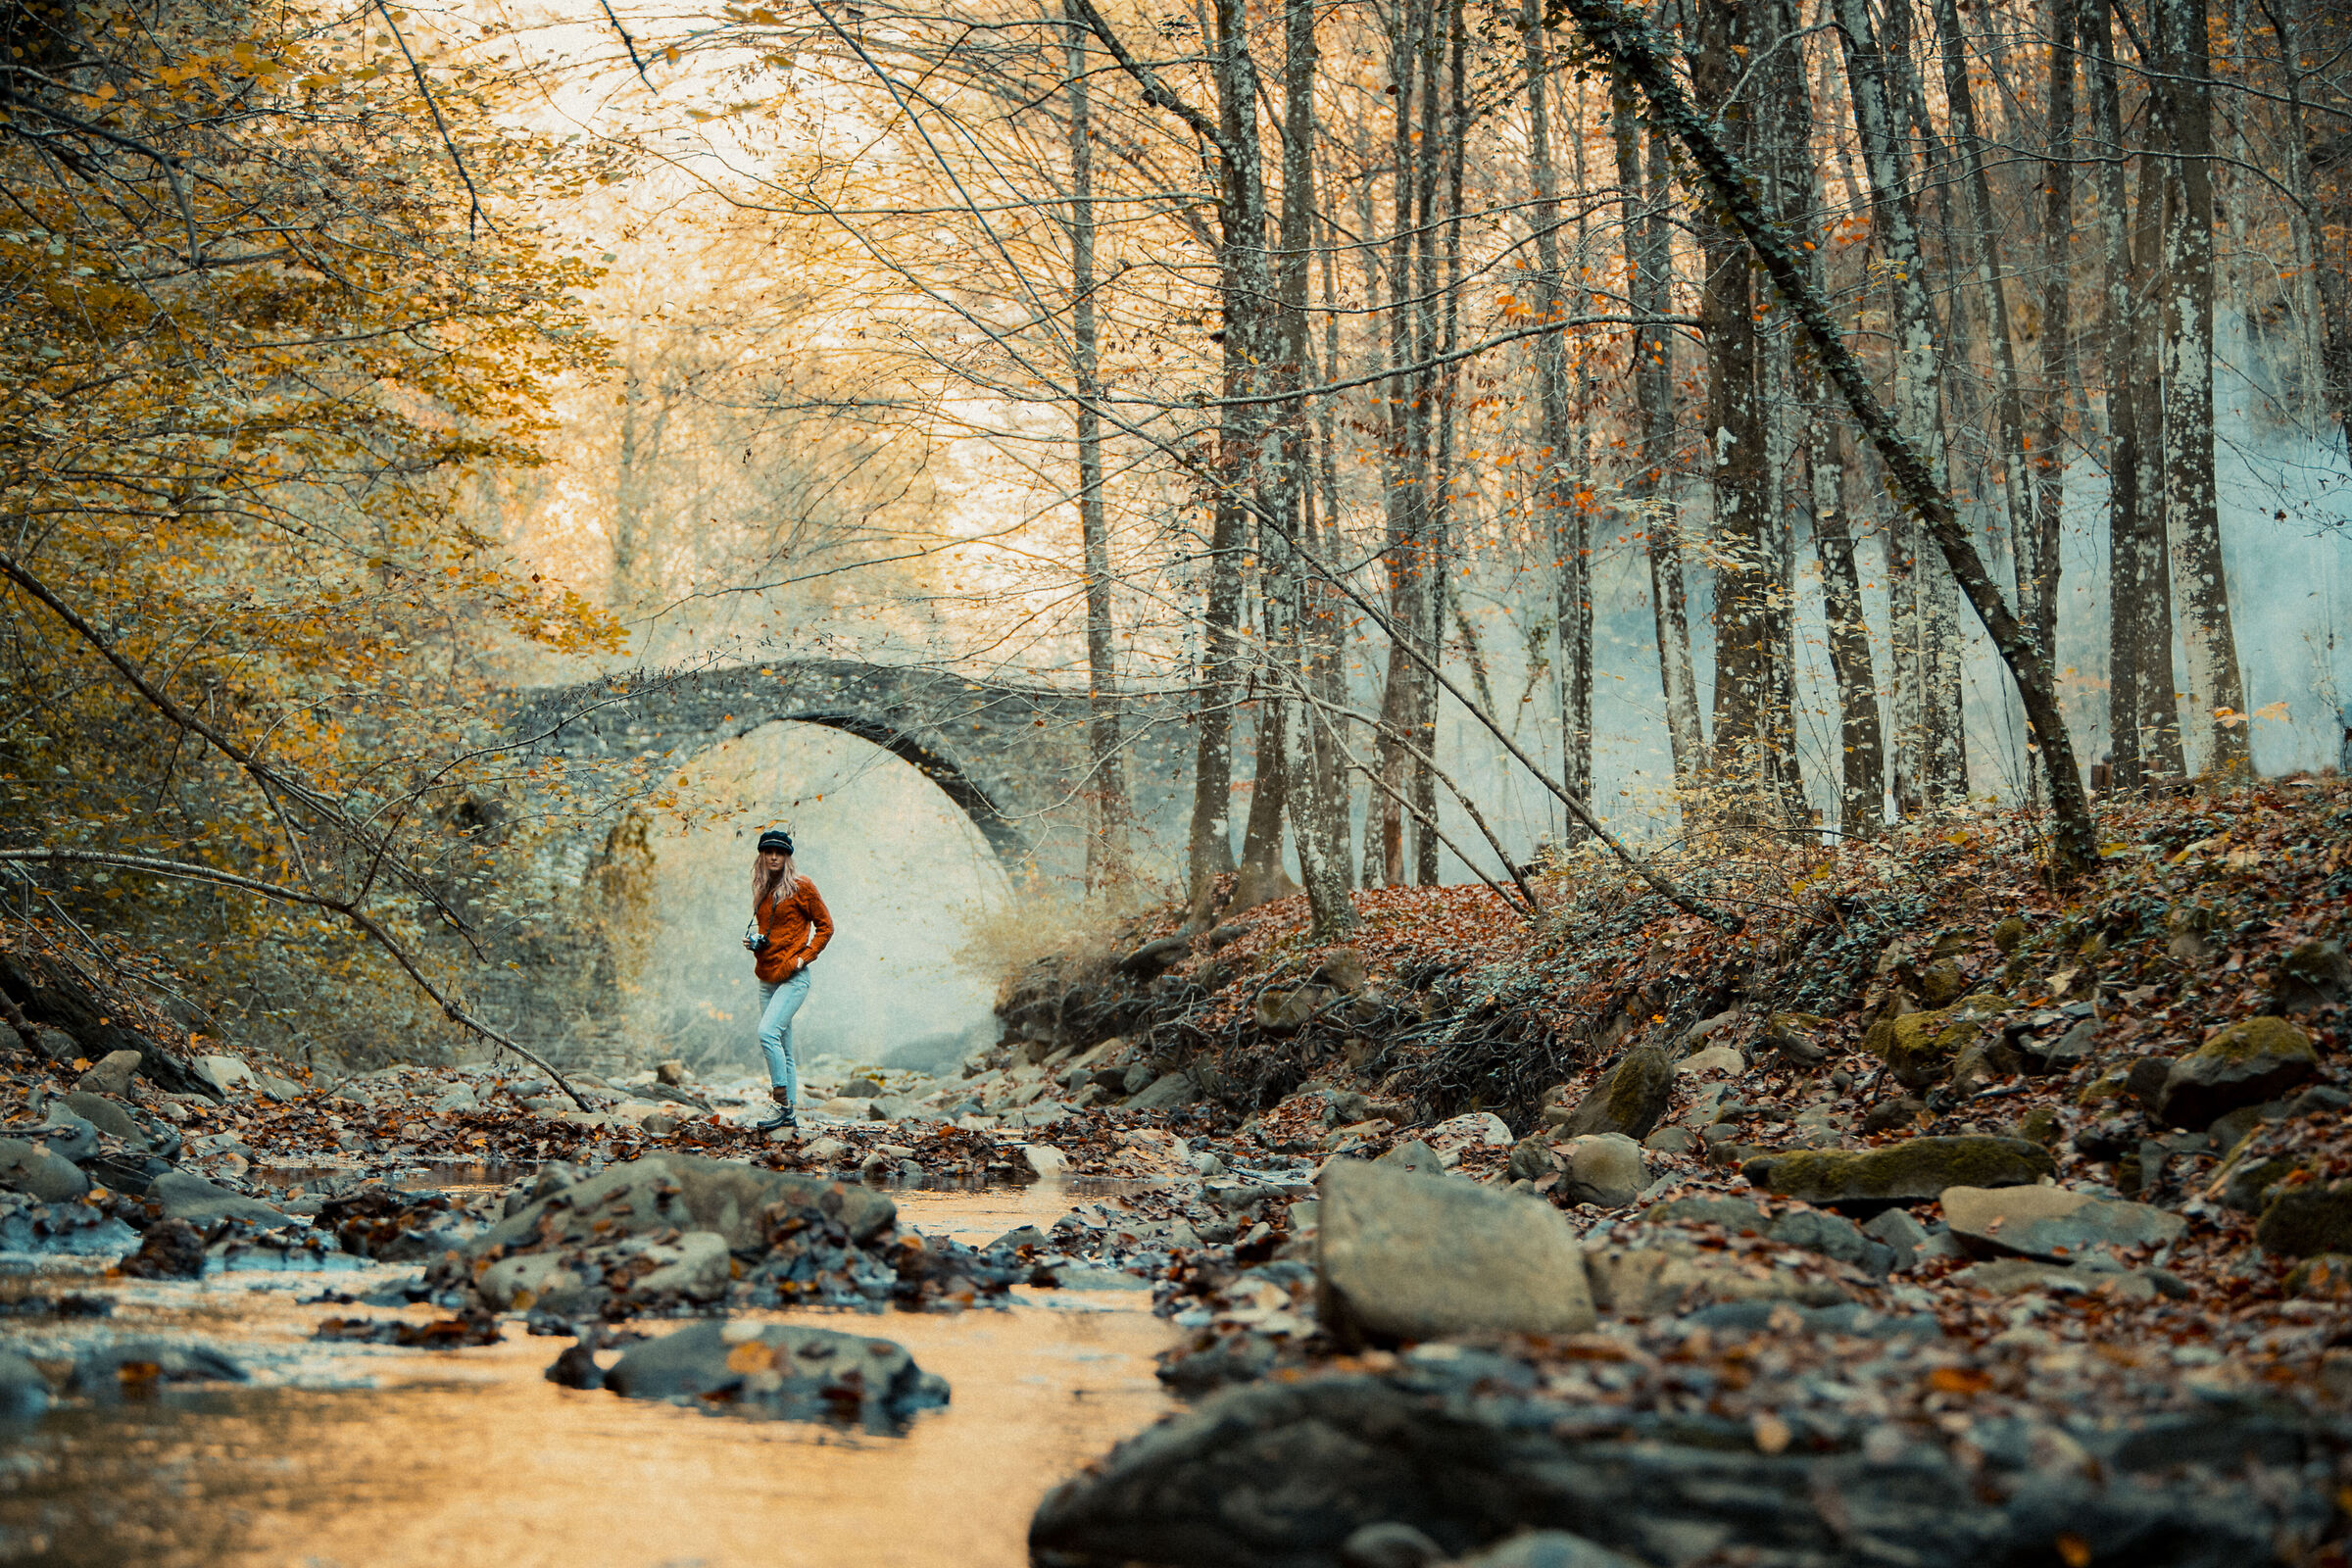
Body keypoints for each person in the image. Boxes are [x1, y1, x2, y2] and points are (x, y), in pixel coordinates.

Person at [742, 828, 833, 1131]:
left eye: (779, 853)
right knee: (783, 1047)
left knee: (767, 1032)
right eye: (768, 852)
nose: (773, 857)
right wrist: (757, 943)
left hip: (794, 977)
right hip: (767, 977)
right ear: (761, 856)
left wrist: (804, 957)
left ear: (787, 857)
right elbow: (774, 933)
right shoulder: (762, 889)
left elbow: (826, 927)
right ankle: (789, 1114)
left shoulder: (802, 886)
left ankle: (779, 1101)